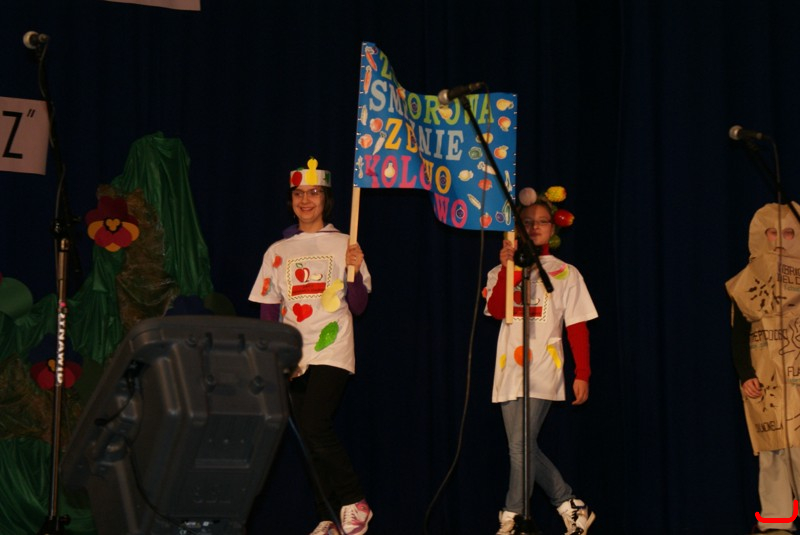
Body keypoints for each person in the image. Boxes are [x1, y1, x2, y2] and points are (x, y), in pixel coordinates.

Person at [249, 158, 373, 535]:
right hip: (293, 355)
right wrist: (275, 358)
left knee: (315, 424)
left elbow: (359, 306)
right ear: (291, 201)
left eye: (314, 193)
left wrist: (355, 270)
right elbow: (268, 309)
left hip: (332, 349)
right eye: (299, 194)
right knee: (306, 435)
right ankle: (327, 516)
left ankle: (354, 500)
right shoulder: (277, 251)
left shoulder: (345, 244)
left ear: (326, 199)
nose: (306, 200)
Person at [483, 186, 598, 535]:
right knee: (521, 447)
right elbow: (497, 310)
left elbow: (577, 326)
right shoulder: (499, 270)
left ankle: (512, 515)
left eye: (542, 221)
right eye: (527, 221)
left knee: (520, 446)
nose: (534, 227)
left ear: (553, 228)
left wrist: (583, 373)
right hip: (508, 369)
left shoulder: (565, 272)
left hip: (544, 366)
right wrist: (509, 268)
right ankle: (569, 503)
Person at [726, 202, 800, 534]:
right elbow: (739, 334)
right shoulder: (749, 281)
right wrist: (746, 374)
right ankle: (776, 520)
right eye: (772, 232)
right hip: (766, 377)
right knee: (773, 449)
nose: (780, 240)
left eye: (789, 233)